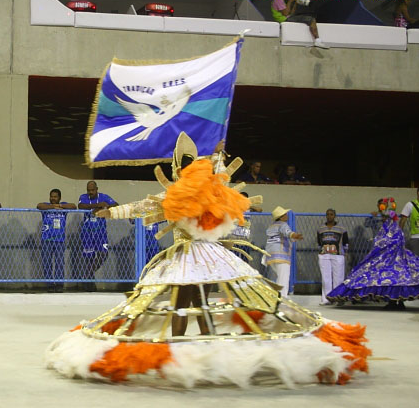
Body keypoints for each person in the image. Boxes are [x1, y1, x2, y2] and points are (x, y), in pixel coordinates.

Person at [46, 132, 370, 388]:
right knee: (188, 298)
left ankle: (195, 345)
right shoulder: (180, 194)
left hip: (202, 254)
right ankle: (184, 346)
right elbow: (145, 205)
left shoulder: (204, 192)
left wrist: (217, 158)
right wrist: (112, 212)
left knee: (193, 298)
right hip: (191, 256)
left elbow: (152, 204)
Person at [328, 197, 419, 310]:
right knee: (389, 276)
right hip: (382, 253)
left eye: (383, 206)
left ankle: (396, 302)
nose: (382, 209)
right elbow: (370, 226)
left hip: (390, 254)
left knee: (393, 276)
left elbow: (393, 234)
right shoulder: (381, 221)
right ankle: (395, 302)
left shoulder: (392, 223)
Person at [77, 181, 118, 291]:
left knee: (103, 254)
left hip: (100, 232)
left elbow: (116, 204)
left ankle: (86, 276)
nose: (90, 192)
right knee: (89, 259)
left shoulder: (103, 196)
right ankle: (90, 284)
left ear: (97, 189)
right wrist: (97, 205)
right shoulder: (83, 197)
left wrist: (104, 207)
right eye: (88, 190)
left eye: (92, 190)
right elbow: (80, 206)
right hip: (87, 232)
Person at [37, 189, 76, 292]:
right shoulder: (46, 206)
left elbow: (73, 206)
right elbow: (39, 206)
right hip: (46, 239)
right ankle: (49, 284)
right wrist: (54, 207)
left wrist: (60, 206)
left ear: (59, 198)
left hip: (60, 240)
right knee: (47, 263)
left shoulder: (63, 206)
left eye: (55, 197)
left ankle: (59, 284)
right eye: (51, 196)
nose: (53, 198)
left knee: (59, 263)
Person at [264, 206, 303, 297]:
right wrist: (294, 235)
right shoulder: (283, 224)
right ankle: (282, 299)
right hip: (281, 255)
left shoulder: (271, 227)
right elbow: (287, 232)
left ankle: (276, 297)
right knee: (284, 278)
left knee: (279, 278)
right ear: (281, 217)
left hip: (270, 256)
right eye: (285, 214)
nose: (286, 215)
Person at [317, 209, 349, 305]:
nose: (329, 216)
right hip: (324, 255)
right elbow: (319, 243)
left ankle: (337, 299)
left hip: (338, 255)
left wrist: (345, 253)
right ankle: (326, 299)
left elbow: (346, 243)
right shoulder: (321, 229)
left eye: (331, 214)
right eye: (327, 214)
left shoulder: (341, 228)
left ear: (335, 216)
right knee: (325, 278)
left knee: (338, 278)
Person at [399, 188, 419, 256]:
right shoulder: (410, 205)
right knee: (415, 260)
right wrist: (400, 235)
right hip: (416, 238)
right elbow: (402, 221)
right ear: (418, 193)